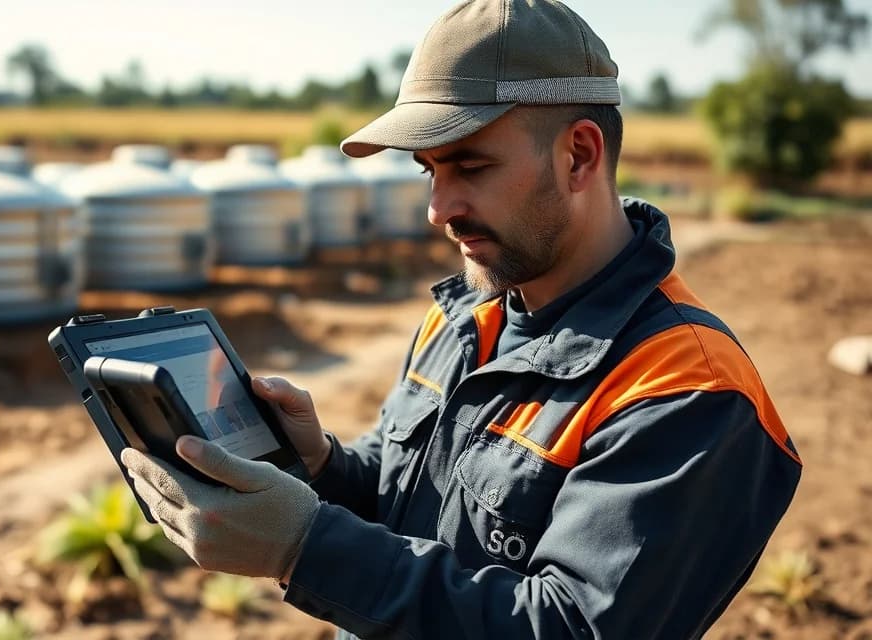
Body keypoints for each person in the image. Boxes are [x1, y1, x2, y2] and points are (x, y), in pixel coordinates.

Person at [120, 1, 803, 637]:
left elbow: (566, 624)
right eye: (428, 171)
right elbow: (401, 499)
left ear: (580, 155)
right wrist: (321, 464)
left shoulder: (686, 389)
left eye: (470, 166)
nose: (437, 209)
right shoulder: (463, 317)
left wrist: (306, 548)